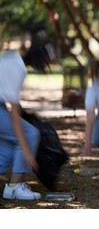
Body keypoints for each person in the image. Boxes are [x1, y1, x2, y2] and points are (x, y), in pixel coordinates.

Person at [0, 45, 53, 200]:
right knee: (30, 134)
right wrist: (27, 149)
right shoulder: (18, 69)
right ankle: (14, 188)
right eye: (46, 62)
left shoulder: (13, 58)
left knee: (8, 152)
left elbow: (9, 97)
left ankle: (13, 187)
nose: (46, 66)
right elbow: (14, 112)